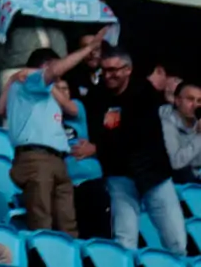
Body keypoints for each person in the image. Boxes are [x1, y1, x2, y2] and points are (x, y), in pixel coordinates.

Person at [80, 46, 188, 254]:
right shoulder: (97, 96)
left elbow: (137, 133)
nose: (108, 75)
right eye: (104, 70)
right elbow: (96, 131)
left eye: (114, 70)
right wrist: (100, 146)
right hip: (119, 174)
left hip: (153, 175)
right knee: (124, 240)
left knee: (176, 242)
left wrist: (99, 147)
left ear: (128, 69)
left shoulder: (144, 93)